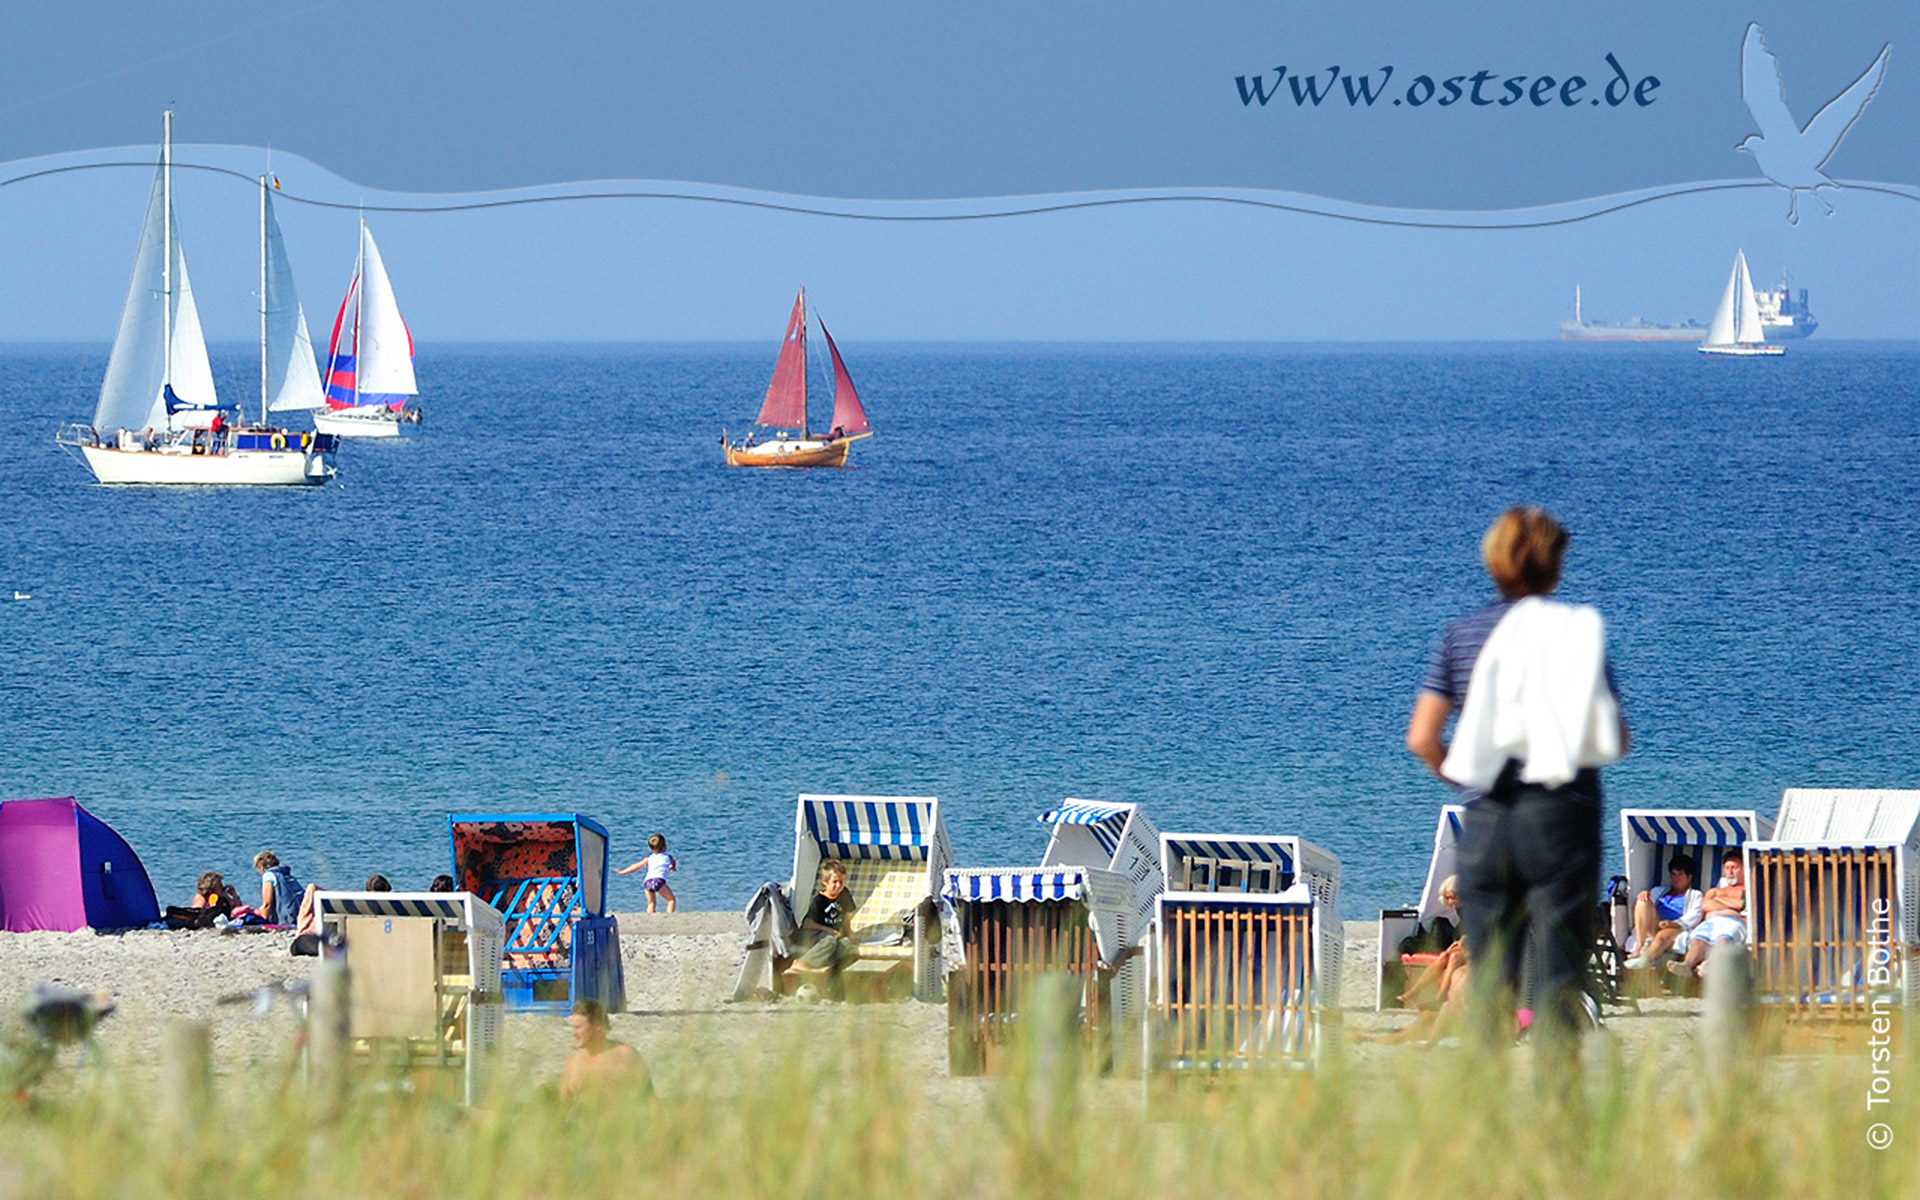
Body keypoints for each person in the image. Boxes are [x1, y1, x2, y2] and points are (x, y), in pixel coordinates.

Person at [1405, 507, 1628, 1067]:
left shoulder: (1462, 635)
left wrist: (1468, 782)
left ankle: (1487, 1131)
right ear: (1554, 569)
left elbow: (1423, 737)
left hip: (1487, 824)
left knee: (1489, 985)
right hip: (1561, 820)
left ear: (1493, 562)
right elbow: (1615, 737)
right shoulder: (1577, 632)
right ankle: (1559, 1130)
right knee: (1557, 982)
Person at [1669, 857, 1747, 979]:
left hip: (1734, 922)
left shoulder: (1747, 890)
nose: (1730, 872)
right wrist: (1730, 906)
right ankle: (1687, 965)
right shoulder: (1713, 891)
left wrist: (1717, 900)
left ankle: (1708, 965)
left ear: (1743, 869)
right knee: (1698, 940)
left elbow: (1741, 904)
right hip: (1711, 921)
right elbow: (1705, 905)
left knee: (1723, 940)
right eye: (1727, 868)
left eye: (1734, 868)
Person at [559, 998, 649, 1101]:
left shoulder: (625, 1056)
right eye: (573, 1028)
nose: (574, 1034)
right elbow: (562, 1110)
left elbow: (650, 1100)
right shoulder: (572, 1064)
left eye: (578, 1027)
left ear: (597, 1026)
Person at [1624, 854, 1703, 969]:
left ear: (1689, 877)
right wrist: (1644, 895)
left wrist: (1674, 923)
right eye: (1673, 874)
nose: (1676, 878)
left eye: (1680, 874)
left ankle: (1645, 961)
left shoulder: (1695, 895)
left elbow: (1695, 915)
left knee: (1662, 936)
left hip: (1675, 927)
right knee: (1642, 900)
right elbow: (1646, 907)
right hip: (1655, 924)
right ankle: (1639, 947)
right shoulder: (1659, 891)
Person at [791, 859, 857, 979]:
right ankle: (801, 962)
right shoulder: (819, 900)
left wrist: (849, 934)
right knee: (830, 941)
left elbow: (846, 916)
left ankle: (819, 963)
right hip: (813, 934)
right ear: (825, 882)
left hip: (830, 935)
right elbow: (807, 924)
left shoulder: (844, 893)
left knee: (846, 944)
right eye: (835, 882)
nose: (839, 885)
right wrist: (827, 930)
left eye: (841, 882)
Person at [615, 835, 678, 913]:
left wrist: (623, 872)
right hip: (659, 881)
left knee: (651, 903)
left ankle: (649, 916)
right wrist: (672, 867)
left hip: (647, 882)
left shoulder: (649, 858)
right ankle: (669, 915)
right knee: (671, 900)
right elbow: (673, 862)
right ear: (665, 846)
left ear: (651, 849)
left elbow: (636, 866)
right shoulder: (668, 856)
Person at [161, 871, 237, 930]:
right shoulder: (201, 897)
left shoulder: (221, 900)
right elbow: (196, 912)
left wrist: (233, 895)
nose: (222, 887)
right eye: (220, 885)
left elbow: (236, 906)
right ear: (212, 886)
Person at [253, 851, 305, 927]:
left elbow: (267, 904)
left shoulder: (268, 876)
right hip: (299, 913)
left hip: (287, 918)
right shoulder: (285, 874)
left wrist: (262, 921)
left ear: (261, 866)